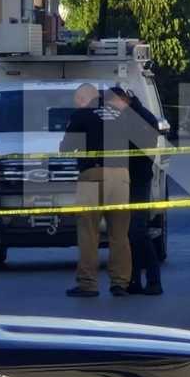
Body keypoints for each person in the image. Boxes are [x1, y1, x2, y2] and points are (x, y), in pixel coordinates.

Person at [60, 84, 133, 297]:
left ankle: (88, 283)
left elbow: (66, 148)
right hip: (121, 176)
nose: (76, 103)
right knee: (119, 234)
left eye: (77, 99)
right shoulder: (122, 115)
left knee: (89, 233)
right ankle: (120, 282)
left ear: (85, 97)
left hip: (92, 174)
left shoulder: (82, 115)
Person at [105, 87, 163, 296]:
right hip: (126, 178)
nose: (111, 108)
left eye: (112, 104)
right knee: (130, 233)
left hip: (137, 179)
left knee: (138, 231)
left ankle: (154, 280)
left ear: (122, 99)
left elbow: (141, 148)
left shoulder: (141, 117)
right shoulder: (127, 116)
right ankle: (135, 280)